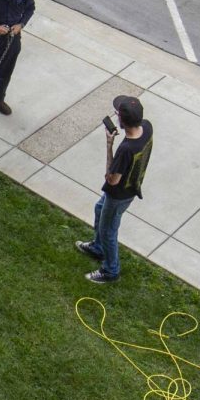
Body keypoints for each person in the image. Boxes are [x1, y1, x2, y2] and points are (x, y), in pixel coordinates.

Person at [74, 94, 152, 282]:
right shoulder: (147, 127)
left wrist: (109, 144)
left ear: (122, 121)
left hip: (119, 195)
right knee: (99, 209)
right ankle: (98, 248)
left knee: (109, 230)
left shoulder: (126, 149)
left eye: (118, 113)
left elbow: (112, 179)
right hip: (132, 186)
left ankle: (111, 270)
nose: (115, 114)